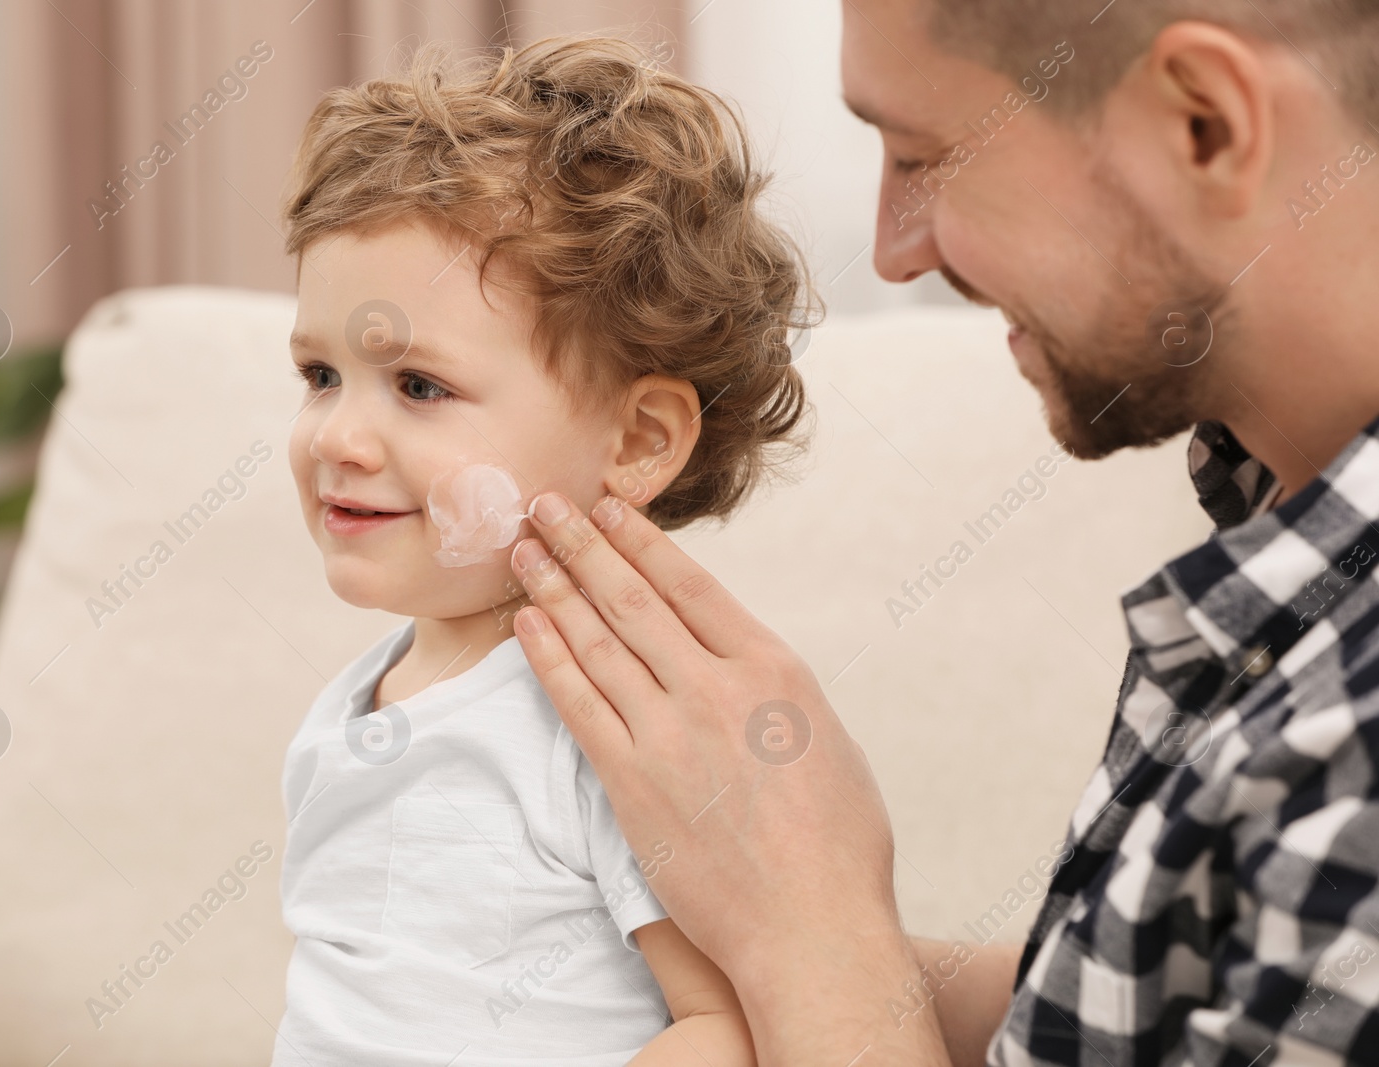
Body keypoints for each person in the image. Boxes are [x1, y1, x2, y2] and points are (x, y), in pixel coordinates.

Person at [507, 2, 1379, 1065]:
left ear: (1204, 123)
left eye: (923, 156)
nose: (893, 250)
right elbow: (1134, 1014)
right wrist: (746, 938)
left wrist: (812, 938)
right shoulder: (1285, 530)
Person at [271, 35, 820, 1066]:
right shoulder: (347, 707)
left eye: (418, 386)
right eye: (318, 374)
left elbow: (722, 1022)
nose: (336, 436)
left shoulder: (617, 727)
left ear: (637, 441)